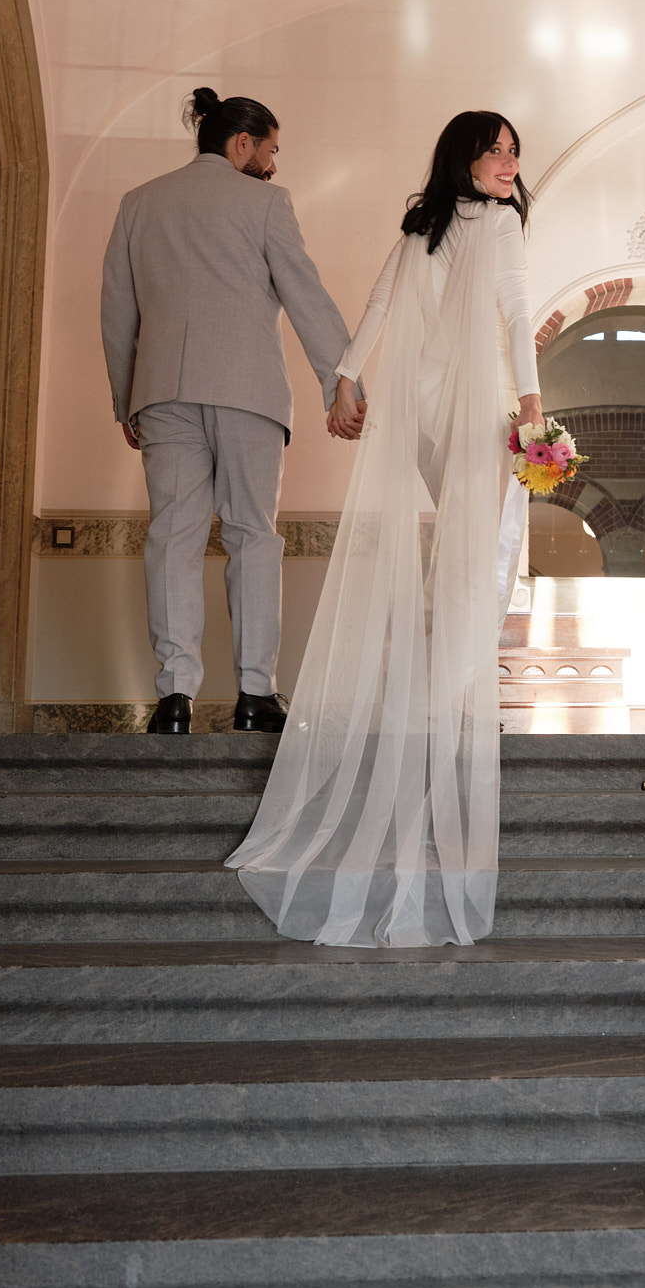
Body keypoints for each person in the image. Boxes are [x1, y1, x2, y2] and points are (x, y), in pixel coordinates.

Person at [227, 111, 543, 947]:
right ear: (465, 157)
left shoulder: (422, 224)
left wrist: (345, 379)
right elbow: (516, 315)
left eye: (515, 150)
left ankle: (448, 691)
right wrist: (537, 410)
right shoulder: (500, 225)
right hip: (472, 407)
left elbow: (377, 302)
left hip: (422, 407)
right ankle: (456, 696)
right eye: (495, 148)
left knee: (482, 544)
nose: (509, 162)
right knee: (495, 542)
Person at [100, 89, 354, 736]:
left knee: (173, 538)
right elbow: (306, 295)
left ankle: (175, 696)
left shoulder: (140, 203)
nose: (274, 164)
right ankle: (254, 693)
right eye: (271, 150)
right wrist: (340, 382)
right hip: (247, 391)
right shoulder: (266, 203)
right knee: (252, 535)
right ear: (242, 143)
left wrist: (125, 396)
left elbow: (117, 312)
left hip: (162, 393)